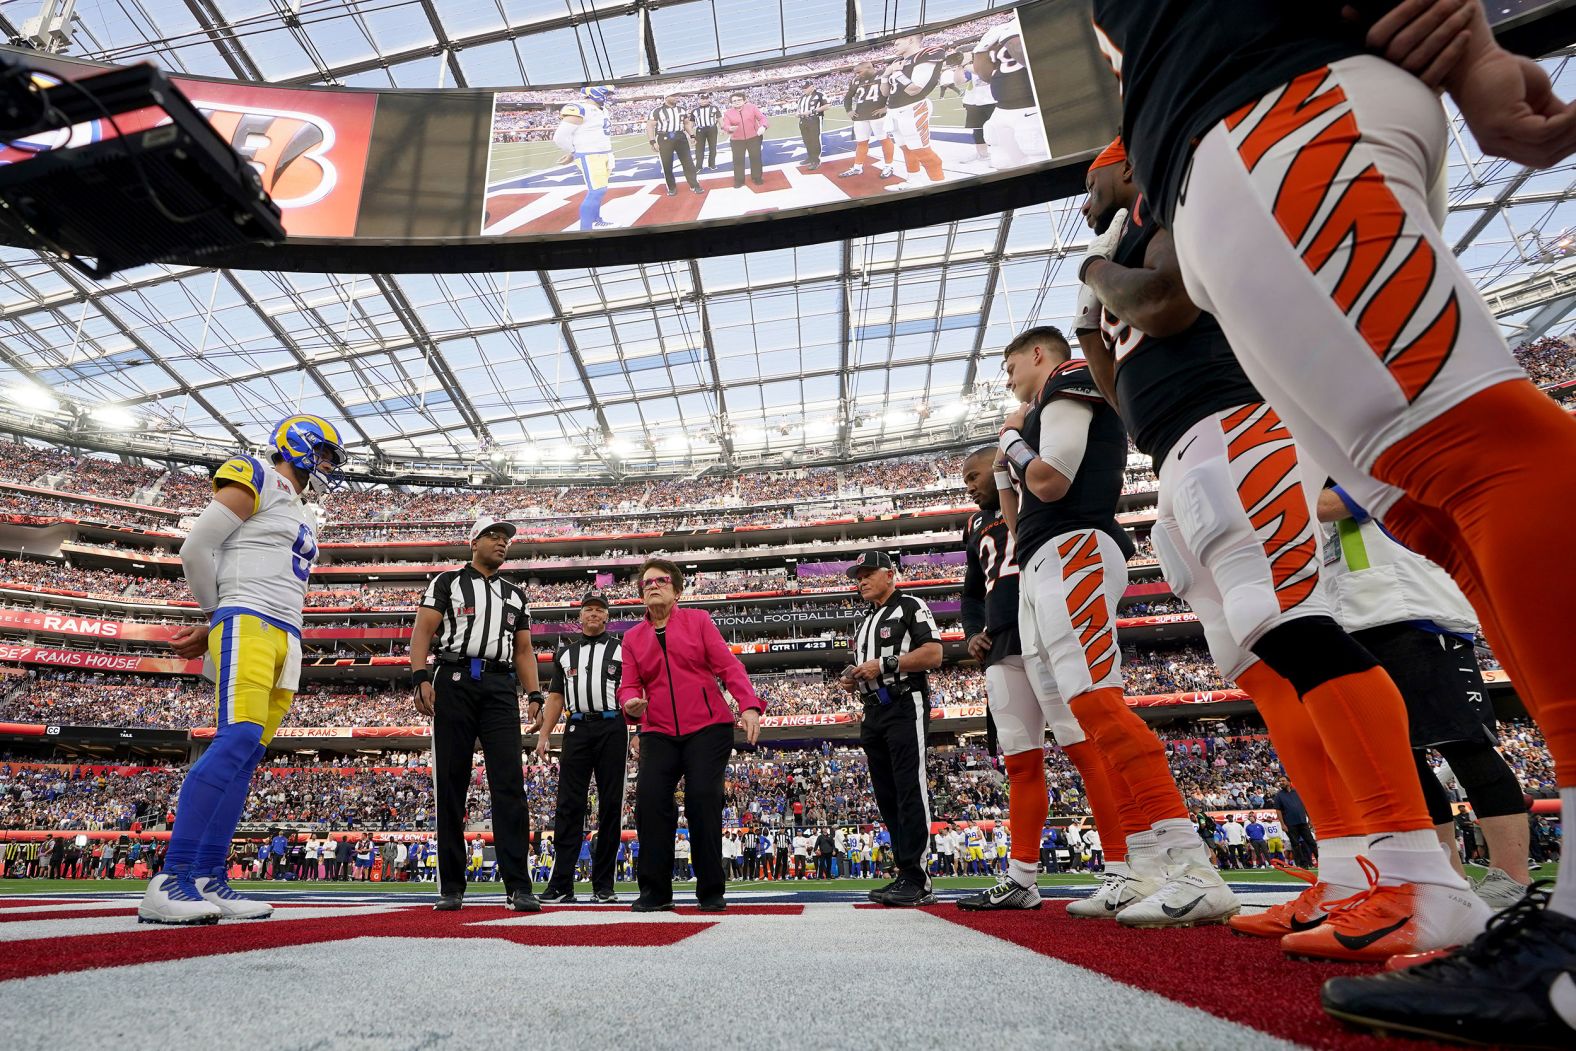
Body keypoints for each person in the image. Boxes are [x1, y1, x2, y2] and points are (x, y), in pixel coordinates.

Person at [1085, 2, 1576, 1034]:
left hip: (1279, 107)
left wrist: (1473, 45)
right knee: (1442, 501)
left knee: (1476, 453)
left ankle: (1420, 868)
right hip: (1257, 123)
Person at [1077, 140, 1484, 959]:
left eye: (1088, 178)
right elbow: (1129, 388)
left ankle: (1420, 873)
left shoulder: (1163, 210)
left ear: (1125, 169)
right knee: (1257, 656)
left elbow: (1165, 303)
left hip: (1240, 429)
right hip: (1185, 449)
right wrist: (1094, 329)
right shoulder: (1126, 241)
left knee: (1290, 623)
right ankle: (1343, 868)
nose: (1081, 195)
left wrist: (1095, 277)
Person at [996, 325, 1238, 927]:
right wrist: (1006, 460)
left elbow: (1050, 479)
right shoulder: (1039, 407)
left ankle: (1191, 864)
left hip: (1073, 547)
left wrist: (1014, 446)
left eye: (1010, 367)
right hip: (1042, 558)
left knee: (1098, 706)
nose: (1007, 380)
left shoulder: (1069, 379)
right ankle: (1144, 864)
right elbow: (1017, 512)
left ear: (1037, 355)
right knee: (1083, 720)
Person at [139, 413, 345, 925]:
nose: (325, 466)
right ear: (296, 444)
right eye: (321, 454)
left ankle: (209, 876)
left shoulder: (304, 510)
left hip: (286, 632)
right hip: (248, 619)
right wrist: (216, 617)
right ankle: (173, 875)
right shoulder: (256, 473)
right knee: (236, 739)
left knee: (248, 754)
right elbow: (196, 548)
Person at [1317, 483, 1532, 909]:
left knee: (1466, 746)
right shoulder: (1325, 463)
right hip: (1358, 622)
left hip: (1417, 615)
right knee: (1406, 761)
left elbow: (1327, 505)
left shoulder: (1363, 456)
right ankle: (1446, 878)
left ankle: (1512, 878)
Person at [954, 446, 1137, 915]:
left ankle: (1122, 868)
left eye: (973, 476)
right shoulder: (974, 526)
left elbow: (1103, 532)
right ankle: (1022, 878)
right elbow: (972, 592)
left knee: (1085, 748)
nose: (969, 486)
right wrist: (973, 632)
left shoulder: (1036, 494)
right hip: (1001, 643)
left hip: (1047, 624)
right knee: (1019, 762)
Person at [410, 516, 543, 913]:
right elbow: (422, 631)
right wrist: (420, 676)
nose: (502, 543)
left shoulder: (516, 594)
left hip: (501, 686)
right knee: (451, 783)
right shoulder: (447, 581)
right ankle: (451, 886)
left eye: (506, 539)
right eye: (494, 536)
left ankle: (518, 886)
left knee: (510, 786)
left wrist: (535, 692)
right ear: (474, 542)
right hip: (453, 678)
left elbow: (523, 650)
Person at [619, 557, 764, 912]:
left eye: (661, 580)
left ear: (678, 589)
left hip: (708, 727)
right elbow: (629, 686)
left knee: (702, 798)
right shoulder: (633, 638)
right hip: (658, 730)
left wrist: (748, 705)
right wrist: (630, 704)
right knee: (651, 802)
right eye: (646, 583)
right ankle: (655, 891)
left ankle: (711, 890)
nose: (653, 586)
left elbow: (728, 666)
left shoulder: (699, 621)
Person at [841, 549, 943, 906]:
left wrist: (885, 664)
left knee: (909, 789)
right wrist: (852, 677)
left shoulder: (910, 606)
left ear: (889, 574)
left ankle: (918, 877)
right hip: (873, 711)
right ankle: (905, 871)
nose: (861, 580)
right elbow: (864, 666)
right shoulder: (865, 620)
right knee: (886, 795)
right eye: (858, 576)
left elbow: (933, 654)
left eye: (868, 573)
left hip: (903, 702)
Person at [537, 589, 629, 905]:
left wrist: (641, 728)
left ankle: (603, 884)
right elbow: (555, 697)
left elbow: (635, 690)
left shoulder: (623, 650)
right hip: (576, 727)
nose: (593, 614)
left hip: (612, 725)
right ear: (580, 617)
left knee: (610, 805)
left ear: (607, 617)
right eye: (588, 609)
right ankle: (562, 883)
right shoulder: (565, 655)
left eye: (598, 610)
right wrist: (544, 734)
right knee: (568, 805)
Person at [971, 21, 1048, 169]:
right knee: (1002, 161)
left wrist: (1010, 34)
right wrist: (980, 49)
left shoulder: (1027, 22)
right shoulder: (999, 29)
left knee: (1037, 156)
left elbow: (1022, 52)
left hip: (1030, 106)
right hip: (1002, 109)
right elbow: (985, 75)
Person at [880, 33, 949, 191]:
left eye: (897, 43)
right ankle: (914, 180)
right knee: (906, 147)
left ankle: (940, 185)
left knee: (921, 149)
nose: (894, 47)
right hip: (894, 111)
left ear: (910, 40)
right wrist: (886, 75)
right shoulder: (898, 62)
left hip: (913, 107)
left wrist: (896, 73)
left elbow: (914, 89)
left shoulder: (927, 54)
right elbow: (885, 93)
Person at [552, 84, 617, 230]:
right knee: (597, 191)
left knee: (600, 190)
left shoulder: (602, 110)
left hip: (605, 153)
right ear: (597, 93)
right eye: (608, 94)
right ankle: (585, 230)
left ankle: (596, 220)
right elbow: (559, 137)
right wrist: (573, 152)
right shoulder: (580, 109)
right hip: (590, 156)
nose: (610, 97)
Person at [839, 60, 895, 179]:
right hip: (860, 116)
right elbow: (848, 97)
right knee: (861, 142)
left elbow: (895, 90)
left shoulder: (883, 74)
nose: (857, 75)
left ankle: (889, 166)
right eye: (856, 72)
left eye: (859, 72)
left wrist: (887, 107)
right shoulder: (856, 80)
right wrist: (849, 110)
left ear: (869, 68)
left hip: (877, 115)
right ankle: (857, 167)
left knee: (884, 140)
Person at [647, 93, 703, 197]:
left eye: (678, 95)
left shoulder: (681, 109)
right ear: (666, 97)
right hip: (664, 137)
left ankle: (694, 185)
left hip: (680, 136)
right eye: (674, 95)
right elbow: (650, 126)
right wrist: (652, 141)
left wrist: (692, 135)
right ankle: (672, 187)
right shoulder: (657, 111)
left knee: (688, 163)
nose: (677, 97)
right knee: (667, 165)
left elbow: (686, 123)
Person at [720, 92, 767, 188]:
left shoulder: (752, 108)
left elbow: (762, 118)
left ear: (744, 100)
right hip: (737, 140)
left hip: (754, 138)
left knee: (755, 158)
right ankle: (739, 180)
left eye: (739, 100)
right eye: (734, 101)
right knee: (738, 160)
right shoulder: (728, 113)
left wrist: (763, 126)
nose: (736, 102)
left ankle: (757, 177)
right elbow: (725, 125)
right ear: (731, 103)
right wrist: (729, 128)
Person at [795, 81, 828, 170]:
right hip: (803, 120)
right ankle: (810, 157)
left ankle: (816, 160)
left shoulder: (819, 95)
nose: (804, 89)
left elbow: (827, 106)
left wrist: (812, 111)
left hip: (814, 119)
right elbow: (799, 108)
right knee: (806, 140)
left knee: (815, 140)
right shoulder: (802, 97)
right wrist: (798, 113)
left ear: (812, 87)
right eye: (803, 87)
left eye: (806, 87)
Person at [690, 98, 721, 170]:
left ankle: (712, 164)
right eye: (702, 99)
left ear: (708, 99)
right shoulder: (694, 111)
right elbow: (691, 123)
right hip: (700, 130)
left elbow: (719, 118)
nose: (704, 101)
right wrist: (690, 134)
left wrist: (722, 128)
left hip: (712, 129)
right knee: (699, 149)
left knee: (713, 147)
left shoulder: (714, 108)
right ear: (698, 100)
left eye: (706, 99)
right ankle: (698, 166)